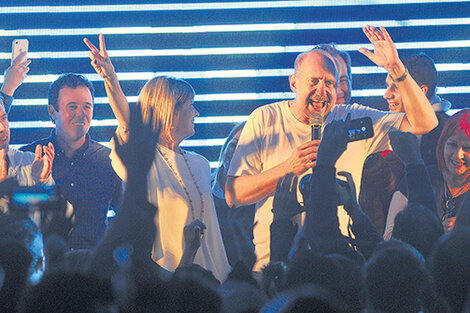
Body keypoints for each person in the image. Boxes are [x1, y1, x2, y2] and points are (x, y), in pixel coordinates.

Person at [226, 25, 438, 270]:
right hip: (275, 264)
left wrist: (396, 68)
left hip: (340, 263)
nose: (321, 90)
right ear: (293, 83)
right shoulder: (265, 119)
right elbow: (234, 195)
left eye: (329, 83)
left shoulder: (352, 118)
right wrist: (287, 168)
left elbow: (425, 122)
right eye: (313, 81)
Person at [84, 35, 230, 282]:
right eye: (190, 106)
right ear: (170, 110)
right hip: (163, 281)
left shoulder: (201, 164)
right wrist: (110, 78)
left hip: (209, 279)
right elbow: (128, 123)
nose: (196, 112)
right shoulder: (146, 158)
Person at [19, 73, 123, 251]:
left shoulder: (110, 161)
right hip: (42, 268)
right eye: (72, 107)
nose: (80, 114)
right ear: (53, 111)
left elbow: (125, 217)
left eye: (87, 107)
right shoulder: (28, 157)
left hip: (93, 268)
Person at [385, 109, 470, 238]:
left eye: (467, 148)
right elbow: (389, 236)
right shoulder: (418, 176)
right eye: (452, 145)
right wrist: (436, 232)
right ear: (442, 144)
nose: (458, 155)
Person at [0, 53, 54, 214]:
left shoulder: (28, 162)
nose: (2, 128)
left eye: (3, 118)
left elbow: (57, 222)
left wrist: (43, 183)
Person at [384, 52, 450, 166]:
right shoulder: (391, 124)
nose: (387, 95)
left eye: (396, 87)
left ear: (421, 91)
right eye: (387, 86)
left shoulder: (446, 134)